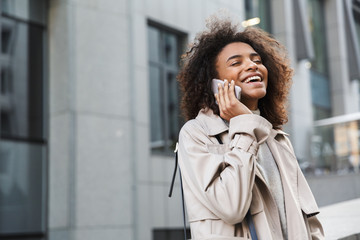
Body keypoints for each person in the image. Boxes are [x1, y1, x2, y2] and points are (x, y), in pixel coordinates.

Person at [176, 17, 324, 240]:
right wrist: (244, 126)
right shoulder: (196, 133)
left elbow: (309, 221)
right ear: (214, 82)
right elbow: (231, 207)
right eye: (236, 63)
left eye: (257, 60)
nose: (252, 65)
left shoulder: (277, 138)